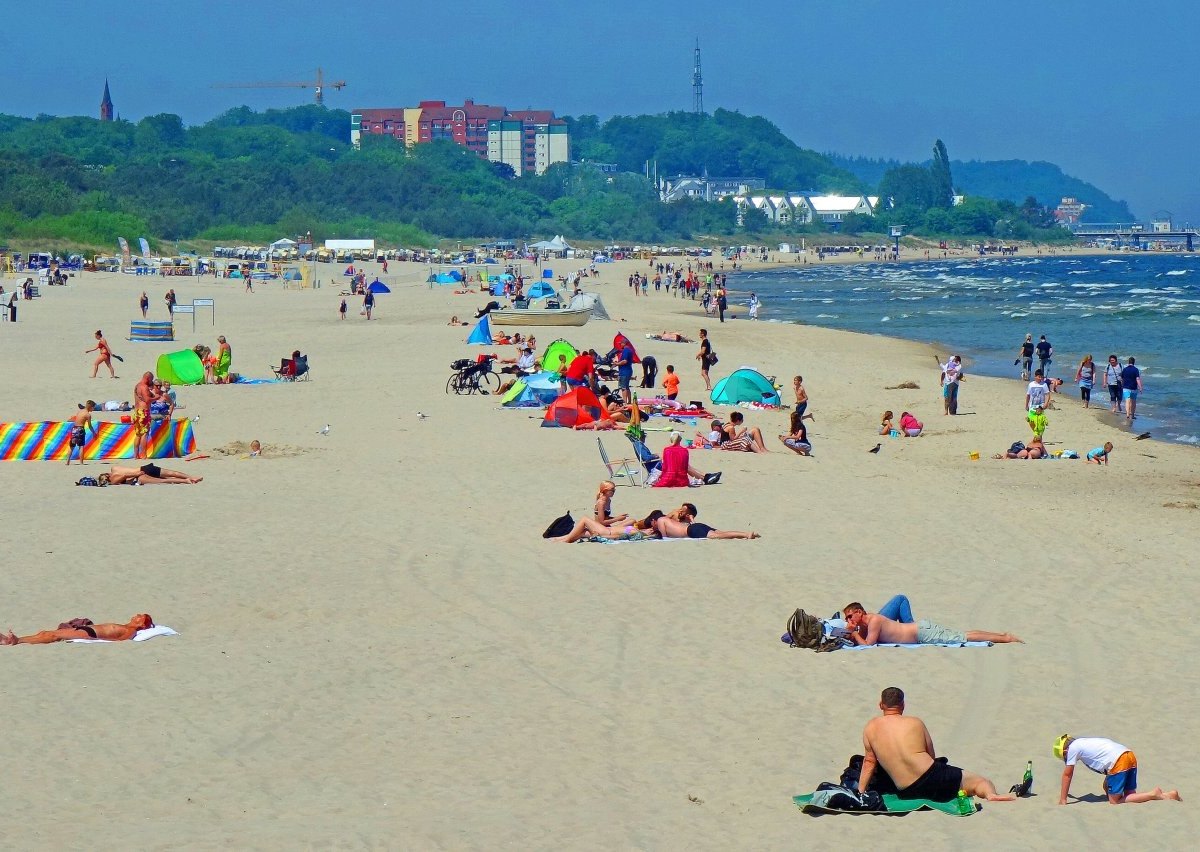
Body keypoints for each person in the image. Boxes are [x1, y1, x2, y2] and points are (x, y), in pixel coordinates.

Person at [858, 687, 1015, 803]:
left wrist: (861, 792)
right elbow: (931, 755)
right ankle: (990, 795)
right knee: (981, 781)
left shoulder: (870, 727)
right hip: (932, 777)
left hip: (906, 791)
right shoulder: (915, 722)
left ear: (881, 705)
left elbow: (869, 763)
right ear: (903, 705)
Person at [1055, 734, 1180, 805]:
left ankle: (1153, 794)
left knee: (1114, 801)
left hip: (1119, 762)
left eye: (1064, 757)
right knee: (1129, 795)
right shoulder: (1083, 742)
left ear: (1065, 751)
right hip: (1129, 755)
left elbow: (1067, 774)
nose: (1067, 760)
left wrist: (1063, 799)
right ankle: (1166, 795)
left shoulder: (1072, 748)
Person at [841, 602, 1022, 645]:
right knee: (962, 633)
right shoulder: (868, 621)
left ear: (859, 612)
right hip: (920, 629)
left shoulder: (874, 621)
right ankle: (1002, 635)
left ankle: (1005, 638)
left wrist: (855, 634)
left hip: (922, 633)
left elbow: (868, 645)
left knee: (963, 637)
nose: (849, 621)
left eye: (850, 616)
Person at [1, 613, 154, 645]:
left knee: (53, 635)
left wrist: (96, 639)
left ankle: (16, 640)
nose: (137, 615)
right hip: (89, 630)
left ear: (142, 625)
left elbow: (119, 640)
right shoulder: (126, 626)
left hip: (91, 634)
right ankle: (16, 640)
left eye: (141, 617)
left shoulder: (131, 631)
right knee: (47, 633)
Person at [652, 503, 759, 540]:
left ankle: (746, 534)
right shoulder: (671, 521)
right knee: (721, 533)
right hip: (696, 526)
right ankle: (747, 533)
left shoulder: (661, 520)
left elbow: (664, 537)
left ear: (654, 520)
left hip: (691, 531)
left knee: (717, 536)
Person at [551, 510, 665, 543]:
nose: (650, 529)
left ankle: (566, 540)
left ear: (652, 535)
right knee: (582, 531)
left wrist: (600, 538)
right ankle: (560, 538)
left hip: (607, 533)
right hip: (607, 530)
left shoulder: (638, 534)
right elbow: (622, 528)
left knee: (585, 519)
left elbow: (618, 536)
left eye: (651, 531)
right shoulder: (639, 531)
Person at [652, 432, 720, 487]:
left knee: (686, 466)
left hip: (668, 478)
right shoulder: (684, 450)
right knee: (687, 466)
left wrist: (661, 477)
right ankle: (705, 477)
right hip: (681, 480)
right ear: (680, 440)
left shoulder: (666, 450)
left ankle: (706, 476)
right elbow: (685, 468)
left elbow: (665, 467)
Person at [106, 462, 203, 485]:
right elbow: (125, 472)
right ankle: (191, 477)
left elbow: (124, 476)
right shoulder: (114, 468)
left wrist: (136, 474)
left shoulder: (113, 479)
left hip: (139, 474)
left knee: (165, 480)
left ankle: (187, 480)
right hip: (144, 468)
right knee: (171, 473)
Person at [67, 400, 96, 466]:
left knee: (71, 446)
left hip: (74, 429)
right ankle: (81, 462)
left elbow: (76, 419)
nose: (93, 409)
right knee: (81, 446)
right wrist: (94, 433)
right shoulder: (88, 415)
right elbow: (90, 425)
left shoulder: (79, 411)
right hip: (80, 429)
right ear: (90, 407)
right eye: (93, 407)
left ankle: (67, 462)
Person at [132, 372, 155, 459]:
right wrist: (156, 398)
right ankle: (144, 455)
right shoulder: (144, 387)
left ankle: (136, 455)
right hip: (144, 412)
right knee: (144, 434)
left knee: (138, 434)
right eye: (151, 380)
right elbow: (147, 400)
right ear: (148, 378)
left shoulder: (137, 386)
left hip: (137, 411)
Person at [1120, 357, 1143, 421]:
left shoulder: (1125, 369)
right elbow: (1137, 379)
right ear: (1134, 362)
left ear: (1128, 362)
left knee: (1127, 401)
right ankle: (1132, 415)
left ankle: (1127, 414)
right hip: (1134, 388)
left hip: (1126, 388)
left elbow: (1122, 378)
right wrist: (1140, 387)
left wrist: (1122, 385)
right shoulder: (1136, 370)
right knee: (1133, 402)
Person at [615, 337, 635, 404]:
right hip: (628, 370)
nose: (620, 345)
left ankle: (625, 402)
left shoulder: (626, 350)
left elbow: (625, 361)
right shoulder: (630, 350)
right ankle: (629, 401)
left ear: (624, 343)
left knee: (623, 388)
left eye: (621, 344)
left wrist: (617, 364)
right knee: (626, 387)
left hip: (624, 371)